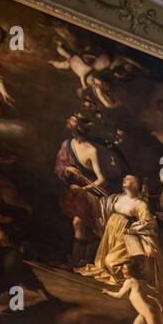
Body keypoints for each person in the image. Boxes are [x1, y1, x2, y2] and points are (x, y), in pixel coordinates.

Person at [78, 174, 163, 288]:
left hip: (125, 237)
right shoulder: (117, 197)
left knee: (110, 262)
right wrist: (85, 192)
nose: (124, 179)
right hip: (111, 232)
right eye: (124, 178)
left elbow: (148, 223)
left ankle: (131, 277)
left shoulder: (140, 204)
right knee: (103, 263)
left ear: (136, 184)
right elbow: (100, 204)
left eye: (129, 178)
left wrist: (132, 228)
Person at [54, 113, 108, 267]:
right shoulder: (67, 144)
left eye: (72, 120)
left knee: (79, 223)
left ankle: (76, 261)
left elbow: (102, 179)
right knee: (77, 225)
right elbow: (59, 166)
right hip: (72, 192)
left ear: (79, 127)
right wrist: (68, 169)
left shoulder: (91, 150)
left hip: (88, 194)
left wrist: (84, 189)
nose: (68, 122)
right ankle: (77, 259)